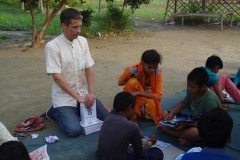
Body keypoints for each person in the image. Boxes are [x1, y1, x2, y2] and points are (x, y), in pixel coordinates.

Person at [43, 8, 109, 137]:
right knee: (74, 131)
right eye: (74, 27)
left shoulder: (83, 41)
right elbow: (57, 77)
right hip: (64, 98)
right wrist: (78, 98)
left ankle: (77, 110)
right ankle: (54, 111)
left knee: (107, 119)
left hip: (83, 93)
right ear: (63, 25)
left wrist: (91, 93)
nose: (78, 30)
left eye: (80, 26)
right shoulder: (52, 46)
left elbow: (89, 67)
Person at [158, 67, 221, 146]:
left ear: (203, 87)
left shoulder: (210, 101)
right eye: (189, 86)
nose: (189, 89)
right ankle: (180, 133)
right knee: (165, 113)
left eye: (192, 87)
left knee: (195, 133)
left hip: (206, 125)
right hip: (194, 120)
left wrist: (187, 124)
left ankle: (168, 131)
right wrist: (172, 114)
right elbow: (182, 104)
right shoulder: (193, 93)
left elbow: (208, 124)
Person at [96, 92, 164, 160]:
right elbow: (141, 154)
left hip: (101, 157)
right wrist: (150, 142)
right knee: (157, 152)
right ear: (130, 107)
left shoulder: (107, 119)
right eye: (134, 108)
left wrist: (134, 136)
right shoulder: (132, 126)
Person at [118, 49, 163, 126]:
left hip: (144, 96)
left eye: (155, 67)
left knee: (152, 109)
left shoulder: (158, 71)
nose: (152, 70)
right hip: (134, 96)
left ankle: (139, 112)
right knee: (132, 82)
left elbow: (158, 96)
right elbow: (120, 83)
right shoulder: (133, 68)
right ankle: (133, 116)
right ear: (143, 62)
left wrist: (138, 93)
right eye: (149, 67)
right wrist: (133, 76)